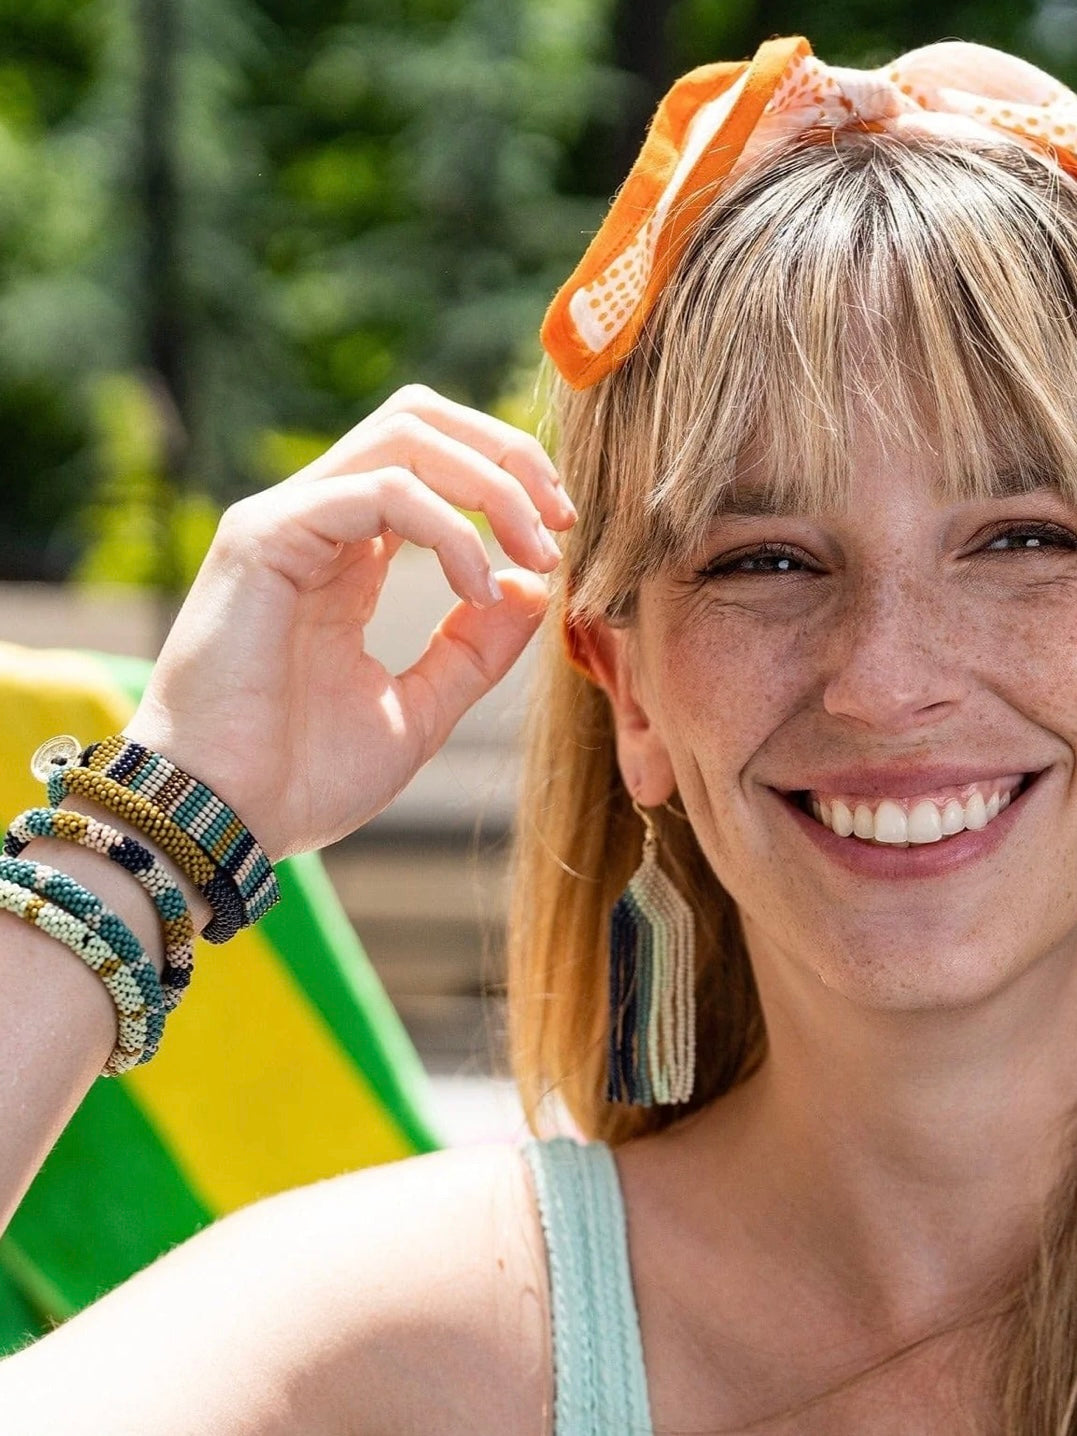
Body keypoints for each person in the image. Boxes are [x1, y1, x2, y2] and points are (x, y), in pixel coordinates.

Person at [2, 29, 1077, 1433]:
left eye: (1021, 537)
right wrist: (153, 827)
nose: (883, 681)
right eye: (763, 559)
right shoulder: (394, 1339)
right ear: (626, 693)